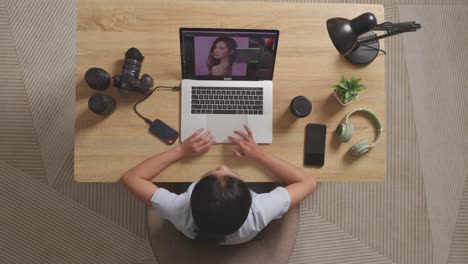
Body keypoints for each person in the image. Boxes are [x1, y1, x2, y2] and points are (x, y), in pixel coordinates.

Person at [121, 125, 317, 245]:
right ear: (250, 203)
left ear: (190, 200)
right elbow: (308, 182)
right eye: (232, 174)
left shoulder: (178, 210)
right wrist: (260, 155)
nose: (223, 165)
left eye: (211, 173)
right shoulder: (259, 212)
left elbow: (132, 178)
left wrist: (180, 150)